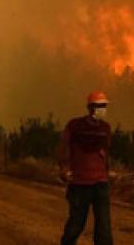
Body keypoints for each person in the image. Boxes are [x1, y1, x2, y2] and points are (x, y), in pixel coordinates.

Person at [58, 91, 113, 245]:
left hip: (100, 184)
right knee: (76, 225)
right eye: (100, 106)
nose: (103, 109)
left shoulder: (105, 128)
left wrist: (106, 176)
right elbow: (63, 146)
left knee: (104, 229)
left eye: (105, 106)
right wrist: (63, 168)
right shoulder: (74, 125)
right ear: (91, 108)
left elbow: (105, 153)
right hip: (80, 184)